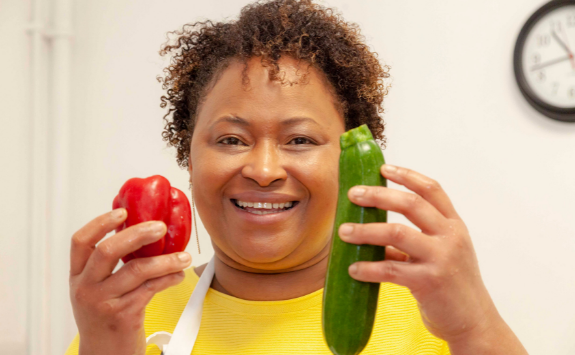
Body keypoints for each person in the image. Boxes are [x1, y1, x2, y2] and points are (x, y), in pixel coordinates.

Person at [65, 0, 529, 354]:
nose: (264, 171)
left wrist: (475, 327)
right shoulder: (124, 318)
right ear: (188, 155)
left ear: (348, 164)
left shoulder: (435, 319)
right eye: (230, 140)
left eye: (301, 141)